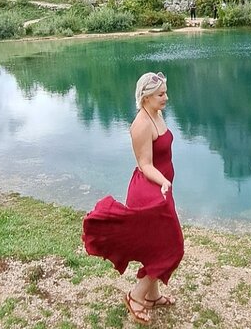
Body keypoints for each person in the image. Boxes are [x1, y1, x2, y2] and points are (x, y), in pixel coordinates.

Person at [82, 72, 184, 325]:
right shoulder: (141, 124)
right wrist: (163, 181)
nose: (166, 98)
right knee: (172, 246)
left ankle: (152, 295)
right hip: (149, 190)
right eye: (161, 94)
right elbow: (145, 164)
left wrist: (165, 184)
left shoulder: (157, 114)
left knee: (155, 243)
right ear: (146, 97)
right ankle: (136, 296)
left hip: (161, 189)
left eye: (165, 92)